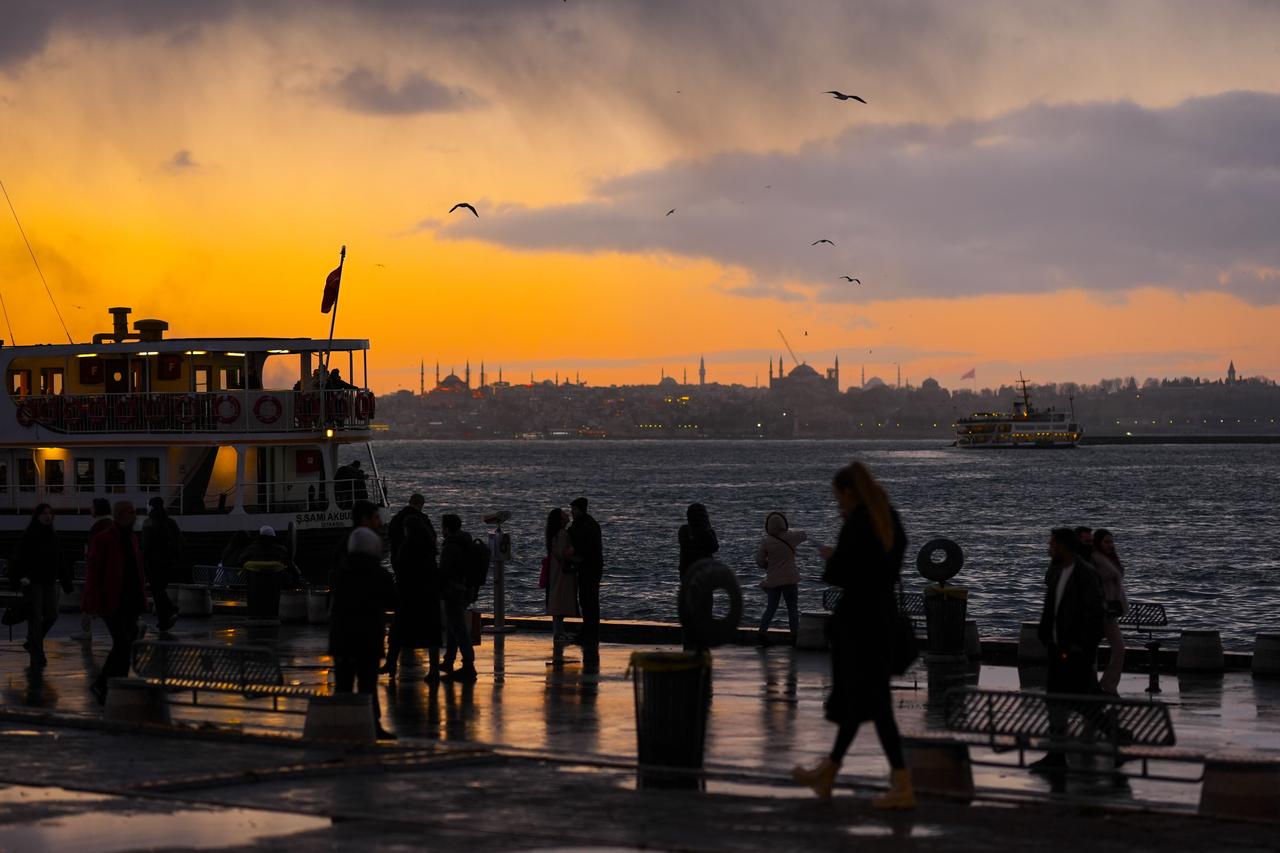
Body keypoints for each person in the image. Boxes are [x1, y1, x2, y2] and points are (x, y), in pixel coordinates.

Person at [792, 462, 914, 809]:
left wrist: (832, 557)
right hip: (883, 618)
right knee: (863, 699)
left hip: (860, 624)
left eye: (838, 498)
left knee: (874, 702)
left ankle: (902, 784)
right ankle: (830, 770)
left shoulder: (859, 523)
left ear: (848, 492)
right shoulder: (888, 519)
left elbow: (842, 573)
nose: (838, 504)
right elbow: (884, 569)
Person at [1030, 527, 1106, 771]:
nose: (1048, 547)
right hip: (1056, 646)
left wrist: (1081, 647)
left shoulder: (1085, 574)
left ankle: (1115, 736)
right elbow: (1051, 608)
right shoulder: (1056, 572)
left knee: (1075, 699)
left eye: (1052, 543)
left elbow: (1095, 615)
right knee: (1059, 700)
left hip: (1074, 650)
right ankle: (1057, 753)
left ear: (1063, 546)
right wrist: (1046, 635)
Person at [329, 525, 398, 740]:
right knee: (367, 686)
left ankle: (340, 726)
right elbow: (394, 601)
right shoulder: (379, 573)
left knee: (343, 686)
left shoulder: (339, 572)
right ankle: (370, 726)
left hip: (342, 637)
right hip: (368, 638)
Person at [83, 501, 149, 705]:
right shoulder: (104, 539)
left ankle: (115, 683)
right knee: (122, 643)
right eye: (131, 512)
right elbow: (94, 572)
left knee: (126, 644)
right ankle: (105, 683)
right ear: (120, 515)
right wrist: (90, 605)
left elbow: (138, 571)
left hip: (131, 600)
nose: (135, 516)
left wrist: (144, 598)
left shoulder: (132, 539)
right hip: (111, 600)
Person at [9, 504, 73, 667]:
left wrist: (66, 581)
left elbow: (60, 560)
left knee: (52, 614)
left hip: (49, 581)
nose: (48, 516)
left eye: (50, 514)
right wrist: (18, 578)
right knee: (35, 617)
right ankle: (37, 652)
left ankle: (33, 643)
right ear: (37, 516)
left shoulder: (53, 536)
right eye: (44, 513)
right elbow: (18, 558)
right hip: (33, 582)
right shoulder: (29, 535)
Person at [383, 511, 444, 683]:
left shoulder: (406, 547)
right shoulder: (429, 547)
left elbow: (402, 571)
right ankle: (434, 670)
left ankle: (391, 663)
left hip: (408, 595)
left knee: (398, 631)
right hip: (428, 596)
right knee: (432, 634)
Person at [438, 514, 478, 682]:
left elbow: (444, 572)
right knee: (455, 626)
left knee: (459, 629)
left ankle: (468, 666)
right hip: (467, 590)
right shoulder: (466, 542)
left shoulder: (450, 547)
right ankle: (449, 660)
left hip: (453, 592)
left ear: (446, 528)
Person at [756, 511, 806, 641]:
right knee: (792, 609)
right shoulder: (791, 537)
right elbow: (804, 535)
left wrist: (769, 565)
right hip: (790, 579)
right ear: (784, 523)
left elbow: (759, 561)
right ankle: (794, 636)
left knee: (771, 608)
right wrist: (789, 532)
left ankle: (761, 634)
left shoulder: (766, 541)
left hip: (773, 580)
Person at [70, 498, 114, 643]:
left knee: (89, 600)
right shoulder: (112, 525)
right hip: (109, 569)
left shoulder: (98, 527)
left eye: (92, 507)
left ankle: (86, 631)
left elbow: (95, 550)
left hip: (97, 568)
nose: (90, 509)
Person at [1092, 528, 1128, 695]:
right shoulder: (1095, 559)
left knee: (1119, 648)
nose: (1110, 545)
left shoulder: (1109, 559)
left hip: (1110, 611)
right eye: (1106, 541)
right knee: (1093, 648)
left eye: (1111, 541)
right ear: (1098, 542)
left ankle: (1108, 682)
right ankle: (1102, 684)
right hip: (1100, 610)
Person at [569, 497, 604, 663]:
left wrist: (577, 558)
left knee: (590, 600)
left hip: (590, 568)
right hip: (587, 568)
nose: (572, 512)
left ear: (580, 510)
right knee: (585, 600)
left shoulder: (588, 526)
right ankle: (587, 632)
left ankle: (591, 634)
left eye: (574, 509)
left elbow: (587, 549)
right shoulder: (584, 524)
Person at [141, 496, 181, 632]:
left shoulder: (148, 523)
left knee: (157, 591)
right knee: (160, 589)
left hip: (153, 562)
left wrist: (143, 560)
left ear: (151, 507)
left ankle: (169, 611)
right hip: (168, 562)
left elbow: (146, 546)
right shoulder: (170, 522)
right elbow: (179, 541)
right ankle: (163, 622)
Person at [544, 507, 577, 649]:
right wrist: (573, 551)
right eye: (564, 514)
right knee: (559, 600)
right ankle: (558, 632)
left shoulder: (555, 534)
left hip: (556, 571)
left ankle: (559, 631)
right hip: (562, 572)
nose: (567, 515)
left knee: (557, 599)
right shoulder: (563, 534)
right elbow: (562, 552)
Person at [677, 502, 718, 579]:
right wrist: (707, 528)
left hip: (687, 572)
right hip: (702, 572)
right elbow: (714, 547)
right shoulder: (705, 531)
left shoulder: (684, 530)